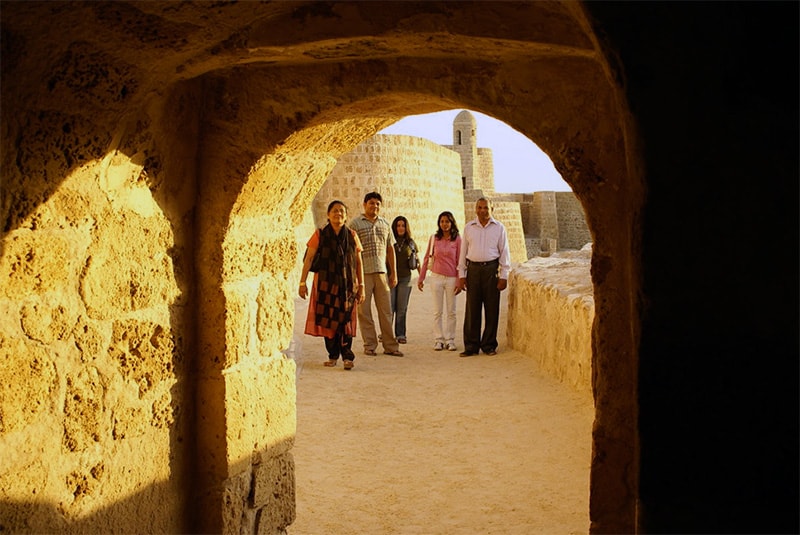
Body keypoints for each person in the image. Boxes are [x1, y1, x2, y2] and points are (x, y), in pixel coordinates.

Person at [299, 200, 365, 370]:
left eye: (342, 211)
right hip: (325, 286)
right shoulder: (320, 235)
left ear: (346, 216)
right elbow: (309, 259)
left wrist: (362, 285)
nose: (338, 214)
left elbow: (358, 261)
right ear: (328, 215)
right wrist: (302, 282)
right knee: (328, 321)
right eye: (334, 211)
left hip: (347, 286)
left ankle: (347, 356)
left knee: (345, 320)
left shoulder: (352, 236)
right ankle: (333, 355)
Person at [348, 191, 404, 357]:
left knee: (386, 311)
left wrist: (393, 273)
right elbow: (351, 252)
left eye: (377, 203)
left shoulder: (385, 224)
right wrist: (354, 277)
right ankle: (370, 345)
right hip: (363, 273)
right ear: (365, 205)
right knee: (364, 312)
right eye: (371, 203)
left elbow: (390, 249)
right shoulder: (355, 224)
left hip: (381, 273)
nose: (374, 206)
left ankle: (391, 346)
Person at [457, 197, 511, 357]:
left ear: (491, 209)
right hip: (473, 270)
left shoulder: (499, 228)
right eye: (479, 207)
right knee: (472, 309)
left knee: (491, 308)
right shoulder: (469, 228)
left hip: (491, 270)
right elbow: (463, 253)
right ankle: (471, 346)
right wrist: (462, 274)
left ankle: (488, 345)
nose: (482, 210)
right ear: (475, 209)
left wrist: (504, 275)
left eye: (486, 208)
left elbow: (504, 252)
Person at [417, 211, 462, 351]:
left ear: (452, 222)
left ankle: (450, 339)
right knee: (437, 311)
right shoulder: (434, 238)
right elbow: (426, 258)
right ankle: (438, 339)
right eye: (442, 221)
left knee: (451, 311)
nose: (444, 224)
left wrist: (460, 280)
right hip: (436, 277)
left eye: (447, 221)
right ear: (439, 223)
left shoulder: (457, 239)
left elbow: (460, 261)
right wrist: (421, 277)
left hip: (451, 278)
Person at [390, 216, 419, 344]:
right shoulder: (390, 240)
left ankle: (400, 334)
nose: (400, 228)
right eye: (398, 225)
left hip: (405, 279)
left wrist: (421, 277)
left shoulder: (410, 242)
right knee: (389, 308)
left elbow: (417, 261)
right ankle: (387, 334)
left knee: (401, 308)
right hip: (391, 278)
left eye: (403, 225)